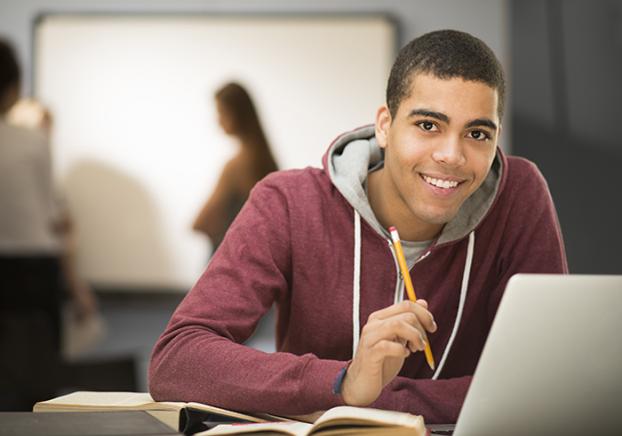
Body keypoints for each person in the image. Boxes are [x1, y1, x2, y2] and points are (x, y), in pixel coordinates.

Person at [149, 30, 567, 424]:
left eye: (477, 133)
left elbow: (544, 385)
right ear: (384, 125)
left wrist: (373, 398)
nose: (451, 155)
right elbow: (177, 360)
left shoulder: (519, 195)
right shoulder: (289, 202)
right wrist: (344, 381)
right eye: (427, 125)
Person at [0, 38, 97, 410]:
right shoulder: (32, 142)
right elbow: (51, 220)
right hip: (32, 273)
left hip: (23, 269)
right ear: (13, 88)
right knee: (38, 382)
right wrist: (75, 284)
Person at [192, 83, 278, 255]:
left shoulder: (236, 166)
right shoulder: (268, 162)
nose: (217, 120)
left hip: (230, 259)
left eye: (221, 112)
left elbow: (200, 222)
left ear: (238, 115)